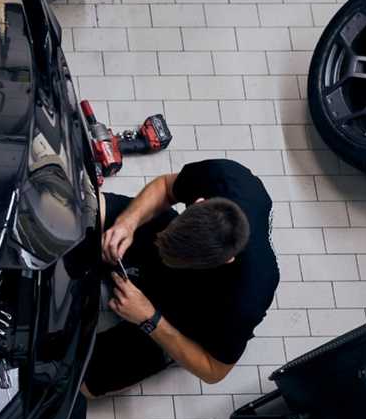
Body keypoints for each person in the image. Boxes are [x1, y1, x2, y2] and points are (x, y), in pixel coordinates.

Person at [87, 159, 280, 396]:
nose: (162, 252)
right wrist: (127, 224)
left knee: (81, 382)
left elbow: (213, 370)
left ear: (223, 262)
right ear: (198, 202)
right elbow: (166, 187)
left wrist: (149, 318)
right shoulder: (224, 177)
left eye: (172, 259)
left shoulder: (247, 296)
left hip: (189, 310)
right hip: (179, 247)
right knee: (88, 211)